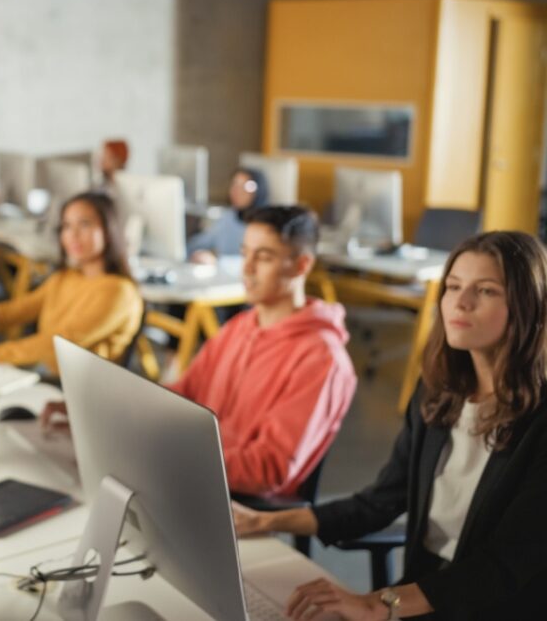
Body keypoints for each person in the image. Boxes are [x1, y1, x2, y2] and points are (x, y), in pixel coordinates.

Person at [234, 230, 547, 620]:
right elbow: (381, 501)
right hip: (420, 598)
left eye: (485, 291)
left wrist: (376, 604)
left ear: (528, 306)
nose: (460, 303)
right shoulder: (438, 394)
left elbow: (504, 566)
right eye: (452, 286)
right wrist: (268, 521)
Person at [170, 205, 356, 497]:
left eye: (264, 257)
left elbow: (268, 470)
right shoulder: (240, 326)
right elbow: (184, 394)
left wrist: (179, 459)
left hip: (240, 502)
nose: (247, 269)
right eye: (245, 254)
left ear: (301, 265)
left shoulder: (323, 359)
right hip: (195, 475)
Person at [0, 192, 142, 376]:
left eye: (85, 224)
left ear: (108, 230)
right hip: (48, 370)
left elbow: (56, 344)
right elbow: (14, 312)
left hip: (77, 387)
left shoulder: (119, 292)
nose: (73, 235)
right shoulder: (66, 277)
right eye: (67, 226)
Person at [187, 166, 270, 264]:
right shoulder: (228, 218)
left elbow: (257, 263)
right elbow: (199, 243)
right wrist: (196, 252)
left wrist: (218, 261)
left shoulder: (267, 226)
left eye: (245, 186)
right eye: (234, 185)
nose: (237, 191)